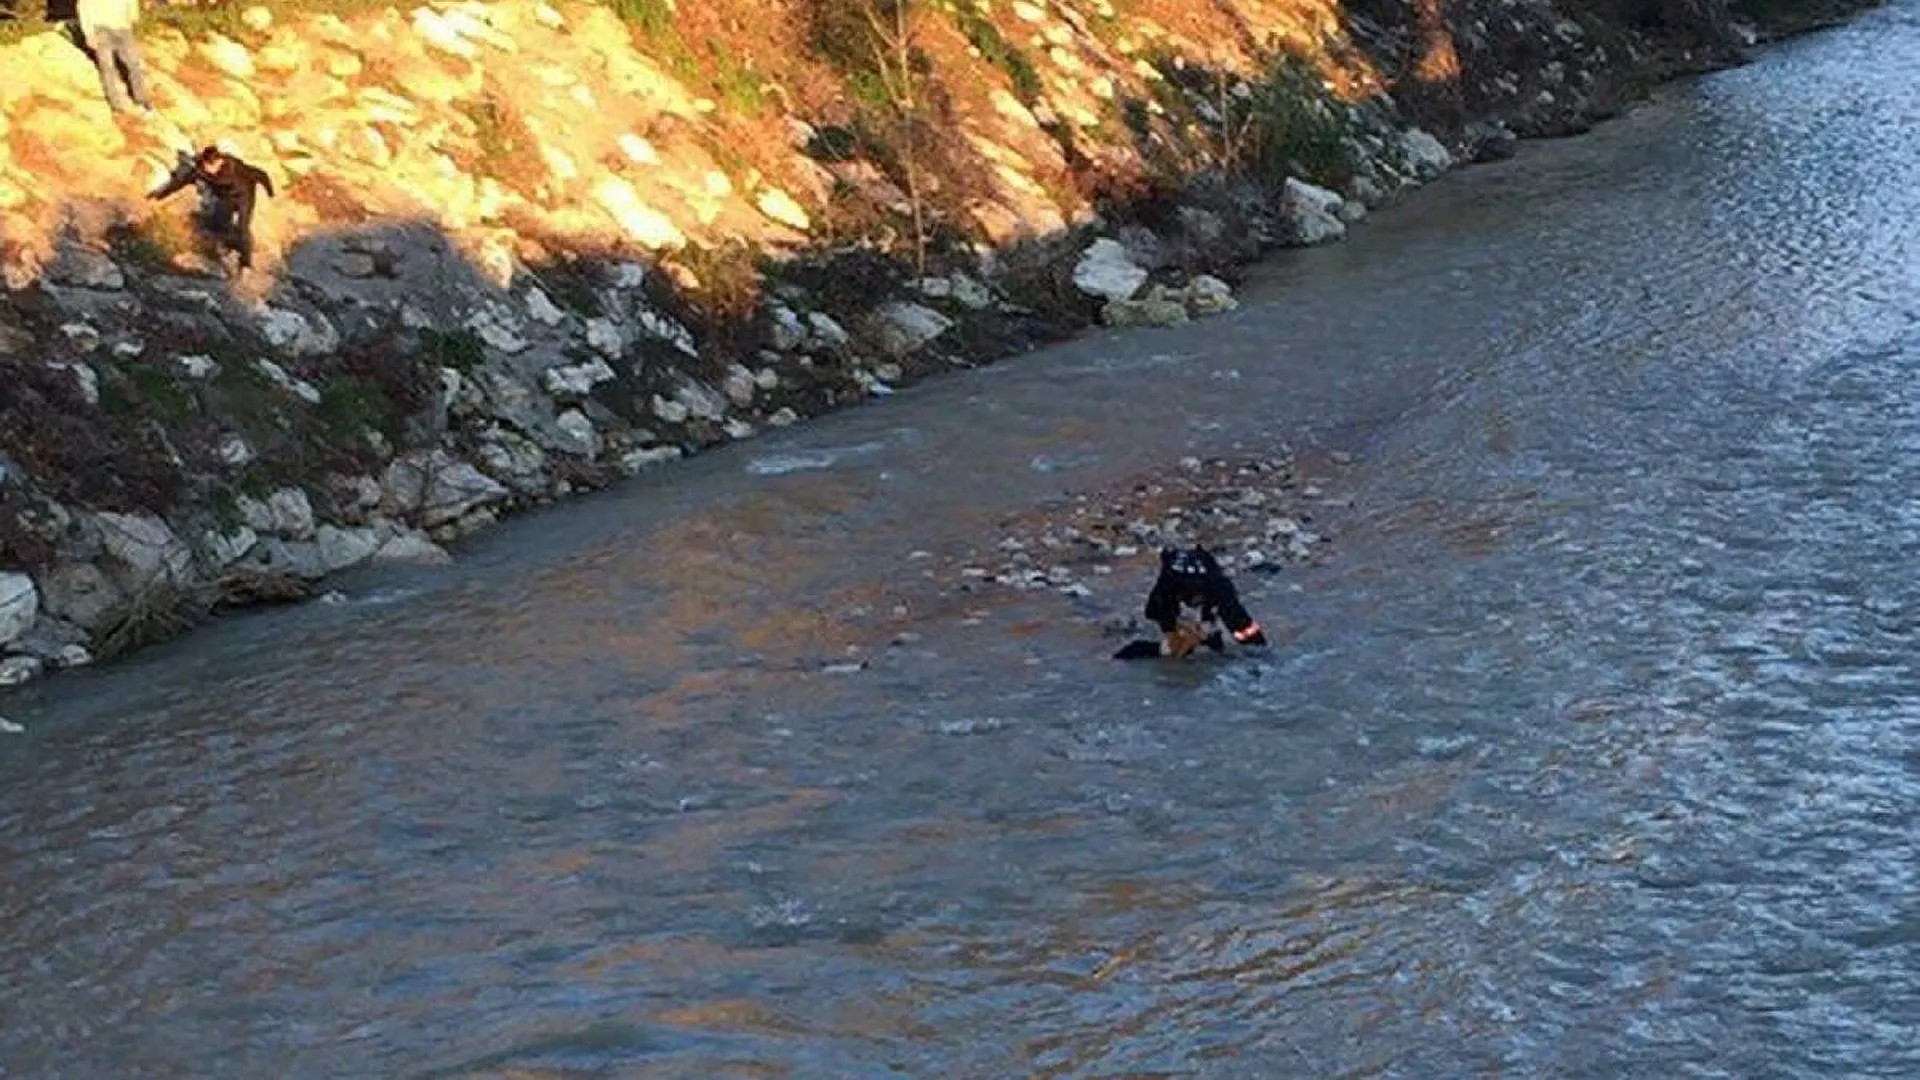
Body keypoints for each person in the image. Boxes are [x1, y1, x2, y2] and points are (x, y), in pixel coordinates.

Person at [1114, 545, 1269, 660]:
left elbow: (1245, 627)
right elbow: (1153, 612)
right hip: (1177, 588)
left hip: (1211, 586)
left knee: (1238, 627)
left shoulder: (1222, 591)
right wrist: (1176, 632)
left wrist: (1254, 648)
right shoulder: (1167, 586)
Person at [148, 146, 275, 270]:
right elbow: (180, 183)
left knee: (243, 227)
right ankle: (226, 248)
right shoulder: (202, 169)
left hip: (244, 196)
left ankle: (246, 264)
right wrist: (159, 196)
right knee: (221, 224)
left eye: (214, 165)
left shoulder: (235, 167)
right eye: (207, 166)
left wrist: (270, 192)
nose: (211, 169)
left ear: (220, 161)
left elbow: (260, 174)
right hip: (226, 199)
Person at [76, 0, 154, 114]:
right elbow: (82, 5)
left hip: (122, 28)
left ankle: (141, 99)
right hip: (100, 28)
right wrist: (88, 33)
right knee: (107, 67)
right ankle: (116, 103)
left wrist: (132, 16)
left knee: (133, 64)